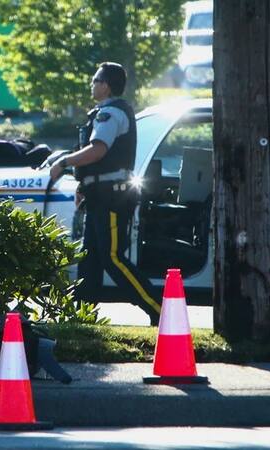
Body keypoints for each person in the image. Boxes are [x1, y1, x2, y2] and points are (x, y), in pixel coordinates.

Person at [49, 62, 162, 325]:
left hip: (112, 197)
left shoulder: (109, 114)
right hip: (100, 194)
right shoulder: (103, 113)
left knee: (111, 258)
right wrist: (83, 184)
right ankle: (81, 318)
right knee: (89, 258)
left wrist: (64, 162)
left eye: (95, 80)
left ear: (106, 85)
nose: (92, 84)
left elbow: (98, 151)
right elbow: (100, 163)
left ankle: (158, 308)